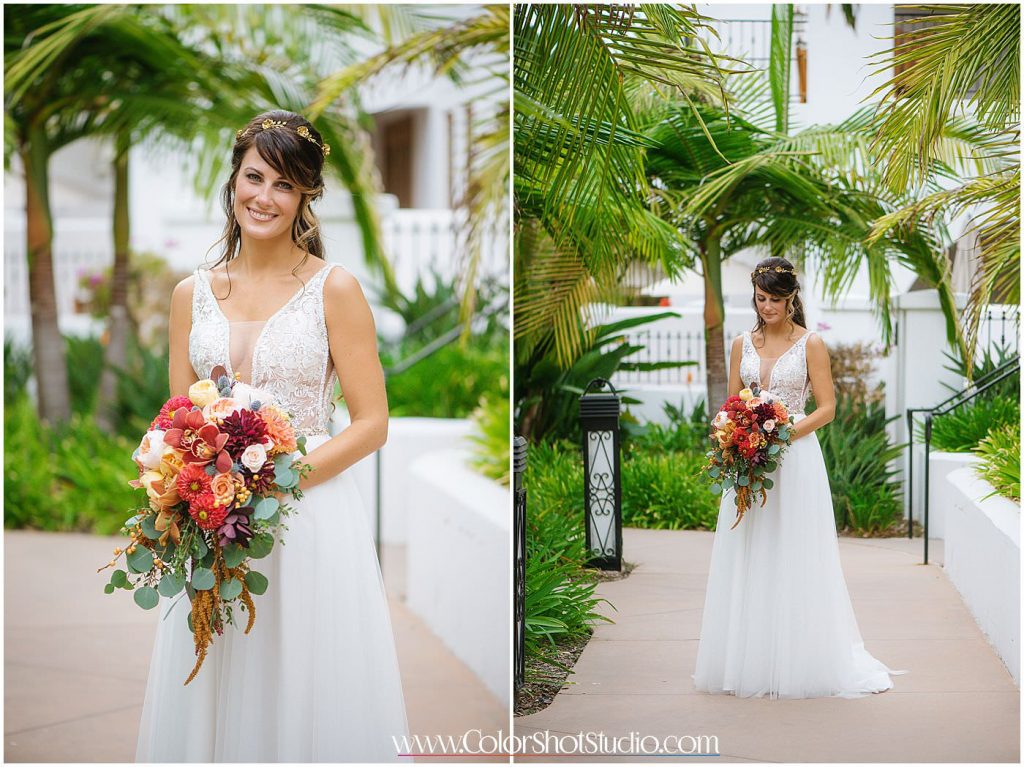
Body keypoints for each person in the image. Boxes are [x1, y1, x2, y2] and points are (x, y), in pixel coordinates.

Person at [135, 110, 410, 761]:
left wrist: (270, 484)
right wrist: (185, 482)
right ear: (234, 179)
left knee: (301, 684)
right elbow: (176, 415)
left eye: (284, 184)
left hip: (308, 522)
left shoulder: (333, 290)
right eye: (254, 176)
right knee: (215, 676)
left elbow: (373, 422)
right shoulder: (188, 294)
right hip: (214, 527)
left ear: (306, 196)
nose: (264, 196)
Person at [692, 256, 906, 699]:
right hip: (748, 461)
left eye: (774, 299)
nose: (765, 306)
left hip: (795, 460)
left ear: (791, 299)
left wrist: (780, 433)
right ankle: (748, 658)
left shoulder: (810, 344)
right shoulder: (740, 343)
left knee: (794, 555)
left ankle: (798, 659)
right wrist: (735, 435)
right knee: (750, 551)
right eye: (760, 298)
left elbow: (827, 408)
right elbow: (732, 403)